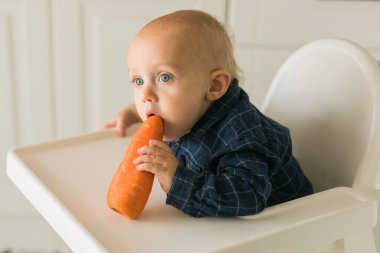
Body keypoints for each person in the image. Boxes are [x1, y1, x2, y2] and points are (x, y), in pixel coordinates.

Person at [103, 10, 313, 217]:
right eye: (138, 81)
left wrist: (177, 178)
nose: (145, 96)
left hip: (288, 228)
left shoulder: (240, 137)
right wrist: (133, 112)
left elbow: (250, 196)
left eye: (165, 78)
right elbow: (153, 103)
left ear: (213, 85)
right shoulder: (185, 110)